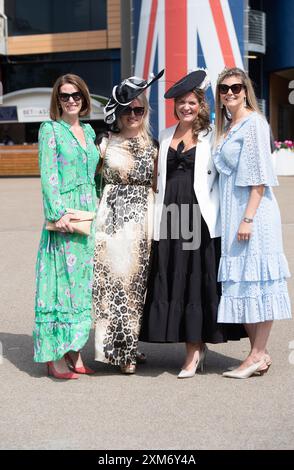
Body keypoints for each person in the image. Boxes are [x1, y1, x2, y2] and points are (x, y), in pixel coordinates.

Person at [140, 69, 246, 378]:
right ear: (175, 107)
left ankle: (195, 348)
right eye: (181, 103)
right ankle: (191, 345)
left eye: (192, 102)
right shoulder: (163, 135)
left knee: (195, 282)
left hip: (198, 218)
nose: (186, 107)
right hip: (170, 218)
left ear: (201, 105)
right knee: (173, 278)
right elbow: (156, 179)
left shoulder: (212, 135)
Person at [213, 67, 292, 379]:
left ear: (245, 91)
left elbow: (259, 179)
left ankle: (257, 354)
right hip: (234, 214)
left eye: (235, 87)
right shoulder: (229, 126)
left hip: (253, 216)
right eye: (224, 89)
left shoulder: (254, 124)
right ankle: (260, 354)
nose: (230, 93)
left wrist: (247, 219)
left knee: (259, 283)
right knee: (240, 283)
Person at [92, 71, 164, 374]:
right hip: (111, 221)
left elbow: (161, 185)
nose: (133, 115)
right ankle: (119, 353)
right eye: (127, 110)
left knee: (136, 288)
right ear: (118, 112)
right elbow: (87, 181)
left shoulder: (155, 144)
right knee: (112, 287)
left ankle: (127, 345)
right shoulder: (105, 142)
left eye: (139, 109)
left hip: (142, 224)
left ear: (145, 111)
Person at [33, 74, 100, 379]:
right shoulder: (50, 130)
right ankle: (54, 355)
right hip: (66, 216)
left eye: (76, 95)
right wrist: (57, 213)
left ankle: (75, 348)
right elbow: (48, 174)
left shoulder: (88, 130)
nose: (71, 100)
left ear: (84, 98)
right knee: (62, 285)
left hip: (90, 213)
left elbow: (94, 173)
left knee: (83, 287)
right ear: (57, 100)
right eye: (65, 96)